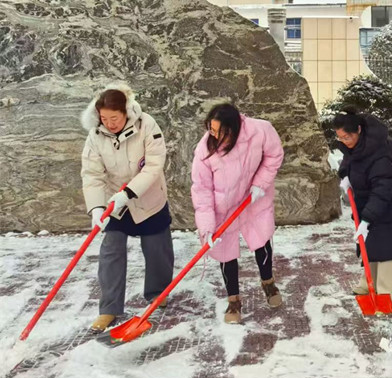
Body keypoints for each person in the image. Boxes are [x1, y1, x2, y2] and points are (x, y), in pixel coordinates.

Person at [80, 82, 174, 333]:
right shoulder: (95, 135)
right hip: (115, 203)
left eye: (114, 118)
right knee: (110, 252)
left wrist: (129, 193)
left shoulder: (147, 125)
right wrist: (97, 208)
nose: (109, 124)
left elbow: (154, 165)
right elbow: (91, 174)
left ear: (125, 112)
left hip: (148, 197)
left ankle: (158, 293)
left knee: (157, 249)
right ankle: (109, 308)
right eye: (104, 118)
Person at [191, 103, 284, 324]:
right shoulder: (204, 149)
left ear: (233, 128)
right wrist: (206, 226)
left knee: (261, 241)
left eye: (219, 131)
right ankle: (233, 299)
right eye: (211, 129)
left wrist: (260, 183)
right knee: (225, 253)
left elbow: (274, 155)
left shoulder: (259, 130)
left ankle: (268, 283)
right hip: (223, 209)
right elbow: (201, 188)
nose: (214, 135)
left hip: (253, 199)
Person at [336, 108, 392, 309]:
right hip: (372, 203)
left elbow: (382, 189)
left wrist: (367, 219)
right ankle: (367, 285)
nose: (344, 141)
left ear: (358, 130)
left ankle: (387, 297)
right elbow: (349, 159)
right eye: (340, 138)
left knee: (388, 250)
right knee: (371, 245)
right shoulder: (357, 144)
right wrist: (345, 174)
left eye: (347, 137)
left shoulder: (381, 153)